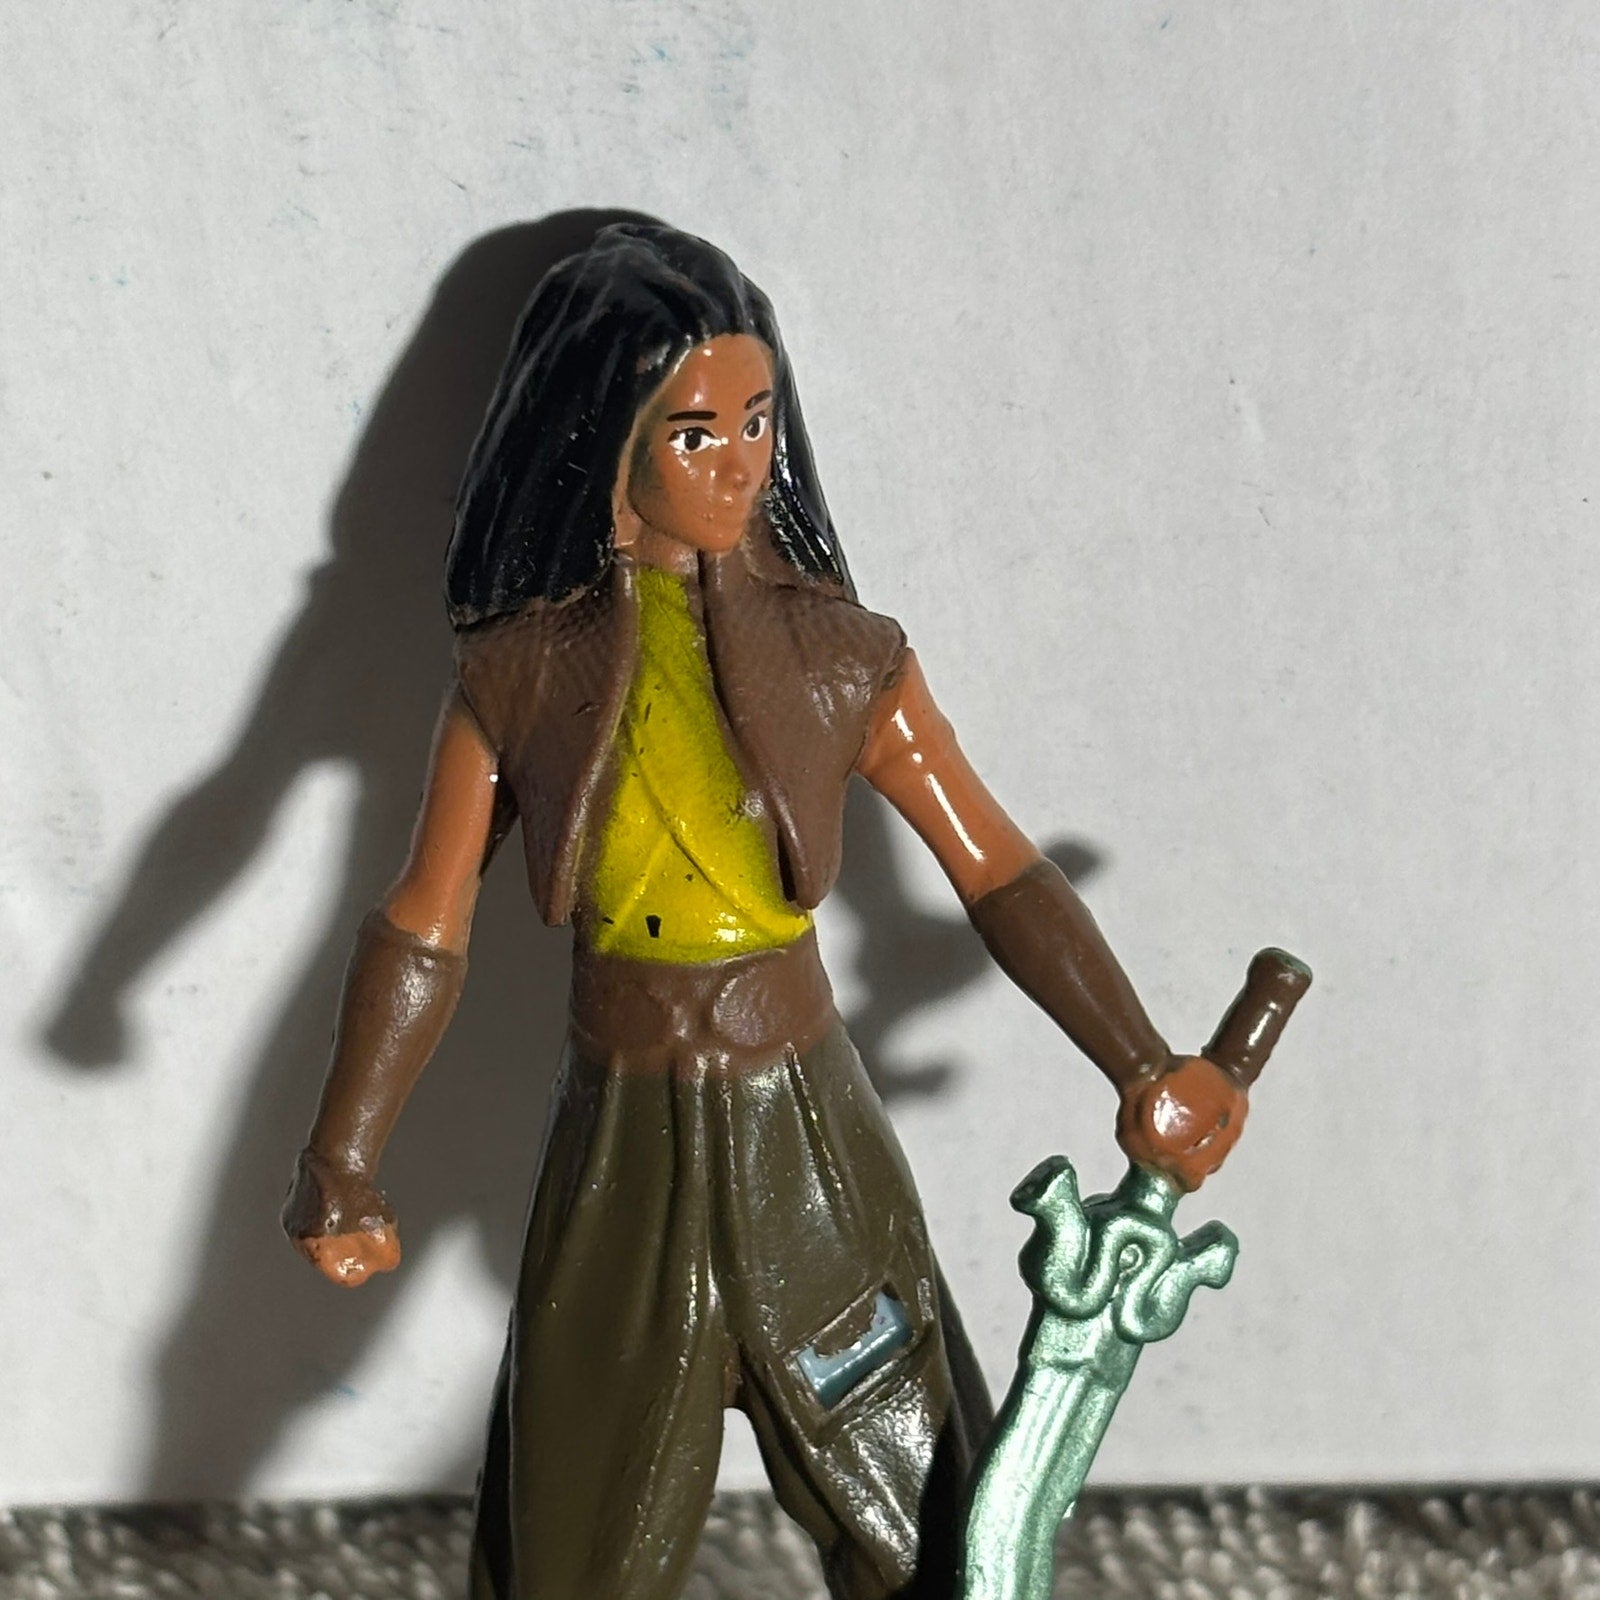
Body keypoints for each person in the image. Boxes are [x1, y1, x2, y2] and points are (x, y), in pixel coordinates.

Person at [281, 223, 1247, 1600]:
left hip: (809, 1150)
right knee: (570, 1553)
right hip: (621, 1162)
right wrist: (343, 1157)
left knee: (933, 1540)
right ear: (606, 443)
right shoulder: (518, 680)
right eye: (694, 433)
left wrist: (1142, 1061)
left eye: (757, 420)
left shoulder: (845, 658)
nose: (739, 461)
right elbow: (426, 923)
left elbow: (996, 867)